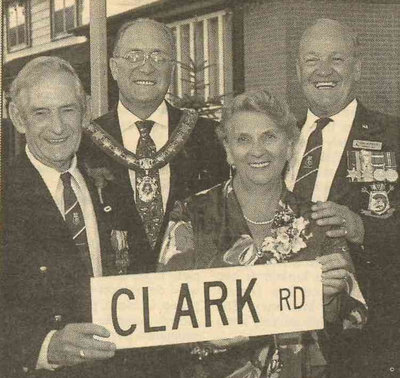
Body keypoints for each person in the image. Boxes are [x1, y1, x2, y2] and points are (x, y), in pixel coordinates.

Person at [158, 89, 366, 378]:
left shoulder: (319, 221)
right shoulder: (192, 214)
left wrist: (329, 298)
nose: (258, 150)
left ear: (290, 145)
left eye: (270, 137)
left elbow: (353, 318)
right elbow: (161, 312)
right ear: (228, 151)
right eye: (243, 139)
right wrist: (207, 337)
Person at [2, 57, 135, 377]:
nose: (58, 127)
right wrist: (43, 347)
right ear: (18, 118)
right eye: (41, 113)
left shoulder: (114, 184)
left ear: (85, 111)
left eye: (68, 110)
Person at [285, 18, 400, 376]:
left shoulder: (393, 137)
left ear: (358, 67)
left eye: (337, 59)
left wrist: (361, 228)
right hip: (284, 332)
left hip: (368, 340)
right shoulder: (275, 138)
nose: (323, 71)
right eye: (311, 60)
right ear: (297, 69)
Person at [81, 18, 228, 275]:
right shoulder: (85, 146)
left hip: (193, 299)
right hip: (111, 303)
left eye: (158, 57)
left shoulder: (208, 138)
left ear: (171, 69)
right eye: (134, 56)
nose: (146, 67)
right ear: (114, 68)